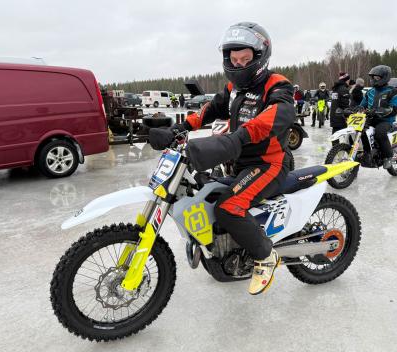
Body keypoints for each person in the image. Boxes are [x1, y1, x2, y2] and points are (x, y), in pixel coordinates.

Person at [150, 22, 295, 295]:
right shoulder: (232, 89)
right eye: (233, 59)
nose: (238, 64)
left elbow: (279, 114)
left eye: (245, 59)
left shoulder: (277, 85)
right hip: (239, 161)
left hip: (269, 164)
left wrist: (237, 138)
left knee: (228, 206)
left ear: (260, 58)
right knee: (206, 193)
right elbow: (210, 109)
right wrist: (180, 128)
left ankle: (265, 256)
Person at [360, 65, 397, 169]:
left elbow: (395, 109)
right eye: (373, 77)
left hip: (386, 121)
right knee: (359, 130)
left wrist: (382, 110)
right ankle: (367, 153)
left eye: (377, 77)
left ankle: (388, 156)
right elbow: (362, 105)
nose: (374, 79)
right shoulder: (370, 92)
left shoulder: (393, 92)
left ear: (385, 77)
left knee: (380, 133)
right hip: (370, 119)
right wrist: (356, 108)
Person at [330, 72, 351, 141]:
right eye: (348, 80)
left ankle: (335, 149)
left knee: (335, 134)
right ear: (346, 80)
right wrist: (349, 112)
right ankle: (347, 149)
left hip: (334, 114)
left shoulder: (335, 89)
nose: (349, 82)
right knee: (349, 134)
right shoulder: (344, 89)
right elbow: (345, 105)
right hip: (340, 115)